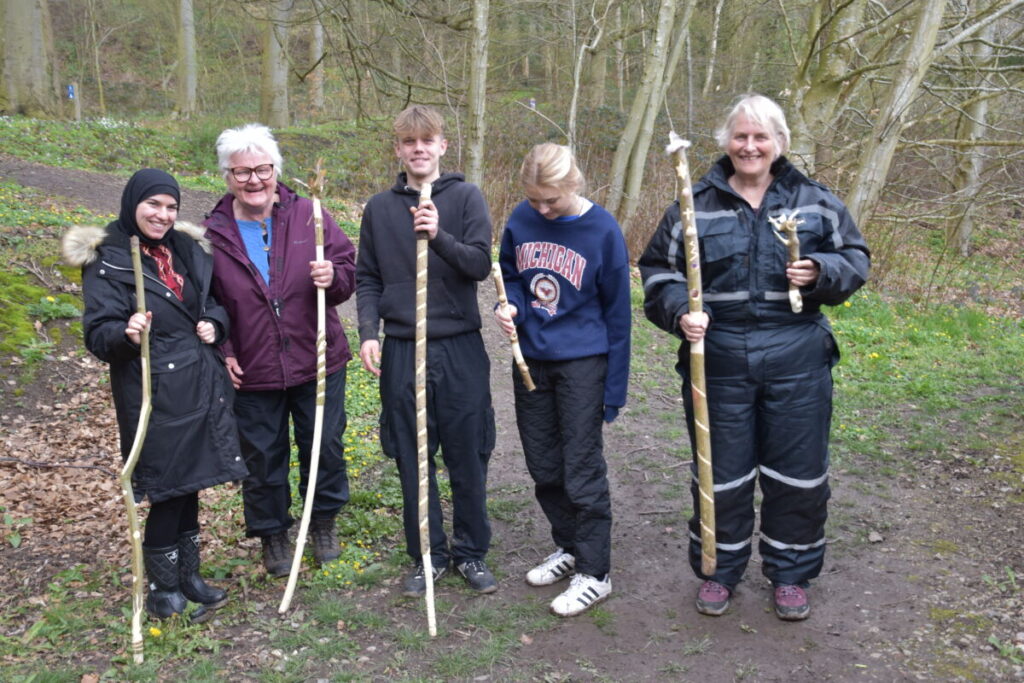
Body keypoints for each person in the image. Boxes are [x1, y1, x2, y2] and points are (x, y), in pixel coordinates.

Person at [639, 94, 870, 621]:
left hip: (798, 357)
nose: (750, 146)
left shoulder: (814, 201)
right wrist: (679, 311)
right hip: (718, 361)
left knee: (797, 474)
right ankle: (719, 569)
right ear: (726, 142)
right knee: (721, 474)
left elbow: (855, 258)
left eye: (760, 137)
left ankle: (790, 573)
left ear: (780, 143)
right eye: (740, 136)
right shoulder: (691, 204)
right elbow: (657, 271)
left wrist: (820, 271)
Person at [63, 169, 247, 621]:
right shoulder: (108, 257)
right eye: (154, 205)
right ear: (132, 204)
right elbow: (97, 333)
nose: (163, 215)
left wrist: (215, 324)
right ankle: (164, 591)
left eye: (171, 207)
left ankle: (189, 579)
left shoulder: (184, 250)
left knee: (190, 484)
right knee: (168, 488)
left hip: (199, 383)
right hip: (153, 390)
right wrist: (125, 333)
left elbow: (211, 304)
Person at [203, 124, 357, 577]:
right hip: (252, 368)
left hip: (317, 356)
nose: (254, 180)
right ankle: (273, 534)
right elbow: (206, 300)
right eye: (241, 172)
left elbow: (349, 270)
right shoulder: (212, 235)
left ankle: (322, 521)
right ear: (227, 177)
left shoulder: (311, 214)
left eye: (262, 169)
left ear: (276, 170)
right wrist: (225, 347)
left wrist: (335, 277)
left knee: (323, 446)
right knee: (261, 457)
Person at [356, 104, 497, 596]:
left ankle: (472, 552)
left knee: (467, 453)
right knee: (412, 456)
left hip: (458, 348)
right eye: (408, 141)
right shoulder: (378, 209)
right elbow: (368, 278)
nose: (418, 148)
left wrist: (438, 236)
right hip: (403, 347)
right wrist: (368, 331)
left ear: (442, 146)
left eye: (427, 140)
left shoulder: (465, 198)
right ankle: (427, 555)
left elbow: (479, 264)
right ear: (398, 149)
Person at [494, 143, 631, 617]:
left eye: (551, 200)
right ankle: (569, 546)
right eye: (534, 200)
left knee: (581, 468)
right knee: (544, 464)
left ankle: (596, 572)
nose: (542, 209)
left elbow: (619, 314)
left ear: (574, 183)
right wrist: (508, 304)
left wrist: (614, 389)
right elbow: (508, 273)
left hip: (583, 365)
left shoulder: (602, 230)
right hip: (530, 359)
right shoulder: (521, 218)